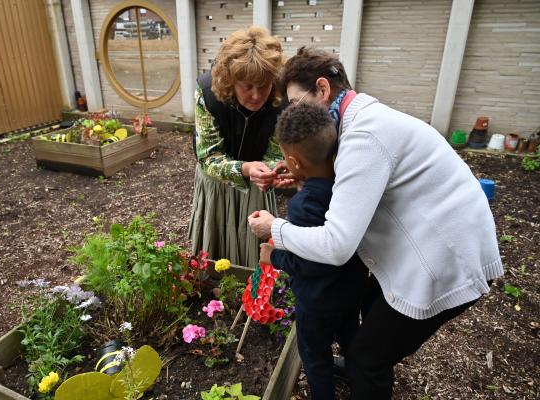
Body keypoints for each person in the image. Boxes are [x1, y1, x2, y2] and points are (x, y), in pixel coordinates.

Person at [248, 47, 504, 399]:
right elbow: (357, 183)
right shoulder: (360, 118)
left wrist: (275, 229)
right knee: (369, 312)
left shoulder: (363, 136)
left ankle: (364, 367)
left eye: (297, 103)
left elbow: (337, 246)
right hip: (436, 239)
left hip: (449, 254)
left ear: (323, 90)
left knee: (369, 356)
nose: (296, 114)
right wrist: (302, 175)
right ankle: (360, 364)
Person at [259, 102, 368, 400]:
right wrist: (301, 177)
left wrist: (274, 255)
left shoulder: (303, 205)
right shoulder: (351, 187)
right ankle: (360, 384)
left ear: (292, 160)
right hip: (351, 293)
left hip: (317, 301)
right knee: (350, 339)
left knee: (315, 356)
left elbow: (312, 263)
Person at [189, 26, 288, 268]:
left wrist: (269, 172)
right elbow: (209, 157)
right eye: (247, 86)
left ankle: (254, 292)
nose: (256, 95)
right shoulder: (207, 93)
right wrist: (244, 168)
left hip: (256, 185)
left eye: (263, 86)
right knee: (213, 250)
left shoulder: (281, 98)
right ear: (231, 80)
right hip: (216, 184)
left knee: (253, 255)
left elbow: (276, 152)